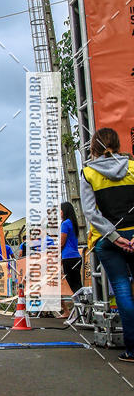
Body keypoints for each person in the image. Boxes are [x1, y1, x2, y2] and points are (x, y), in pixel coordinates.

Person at [80, 127, 134, 362]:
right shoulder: (132, 167)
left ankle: (132, 350)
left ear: (93, 148)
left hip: (108, 240)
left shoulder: (88, 173)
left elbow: (90, 212)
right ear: (118, 144)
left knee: (122, 290)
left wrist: (113, 236)